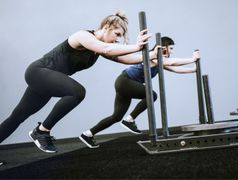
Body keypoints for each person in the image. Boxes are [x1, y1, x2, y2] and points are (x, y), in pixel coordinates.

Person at [0, 11, 153, 153]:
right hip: (39, 72)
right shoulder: (83, 36)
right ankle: (41, 131)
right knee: (77, 92)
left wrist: (152, 54)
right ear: (106, 27)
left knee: (17, 116)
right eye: (117, 34)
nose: (117, 39)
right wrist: (136, 46)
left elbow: (127, 60)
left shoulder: (98, 49)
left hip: (48, 80)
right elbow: (106, 48)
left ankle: (40, 132)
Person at [79, 36, 200, 148]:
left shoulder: (159, 60)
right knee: (152, 95)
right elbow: (172, 62)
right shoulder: (152, 56)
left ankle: (88, 134)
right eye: (171, 48)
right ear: (164, 47)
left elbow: (175, 68)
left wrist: (193, 69)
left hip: (125, 84)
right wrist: (192, 59)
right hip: (125, 81)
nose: (172, 52)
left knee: (116, 116)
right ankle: (129, 120)